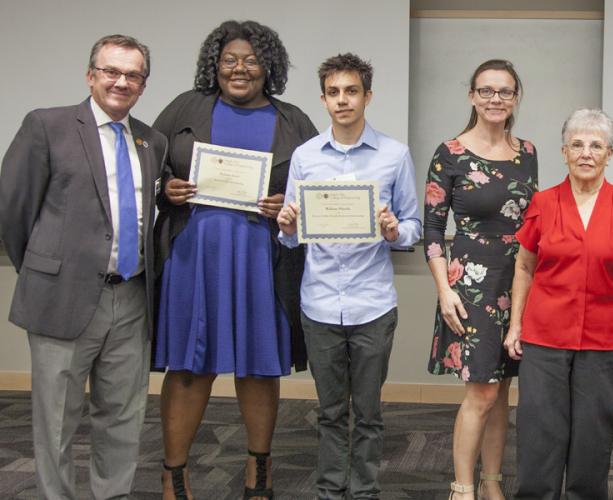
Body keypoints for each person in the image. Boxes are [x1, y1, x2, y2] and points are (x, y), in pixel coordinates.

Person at [151, 20, 317, 500]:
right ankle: (174, 476)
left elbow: (313, 187)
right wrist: (168, 188)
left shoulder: (293, 120)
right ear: (214, 65)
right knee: (188, 365)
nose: (239, 68)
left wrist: (287, 200)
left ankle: (257, 474)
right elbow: (150, 165)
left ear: (269, 67)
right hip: (193, 255)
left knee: (260, 365)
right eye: (229, 60)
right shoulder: (186, 107)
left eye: (251, 60)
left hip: (261, 258)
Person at [0, 35, 166, 499]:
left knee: (123, 416)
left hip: (131, 297)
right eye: (112, 71)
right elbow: (14, 212)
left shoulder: (151, 140)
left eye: (133, 75)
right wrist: (46, 270)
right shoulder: (47, 125)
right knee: (56, 422)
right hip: (64, 296)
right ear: (91, 75)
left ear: (143, 84)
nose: (122, 82)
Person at [276, 53, 421, 500]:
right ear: (323, 99)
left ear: (367, 96)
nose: (343, 100)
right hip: (319, 303)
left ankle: (365, 492)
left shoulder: (394, 155)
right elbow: (291, 236)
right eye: (334, 92)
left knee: (370, 412)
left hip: (372, 304)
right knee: (331, 412)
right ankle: (328, 491)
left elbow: (413, 226)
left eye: (352, 91)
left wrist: (395, 230)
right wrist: (284, 227)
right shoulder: (304, 157)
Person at [503, 109, 613, 500]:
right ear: (564, 152)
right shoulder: (543, 202)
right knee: (539, 433)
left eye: (596, 145)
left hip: (604, 341)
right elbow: (524, 265)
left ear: (610, 154)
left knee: (593, 435)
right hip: (545, 338)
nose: (587, 153)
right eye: (578, 145)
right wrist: (515, 325)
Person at [424, 59, 537, 500]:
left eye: (505, 92)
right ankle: (462, 488)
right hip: (469, 286)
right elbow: (432, 229)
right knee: (481, 394)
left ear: (516, 98)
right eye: (486, 91)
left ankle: (492, 484)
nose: (495, 99)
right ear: (472, 96)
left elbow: (531, 225)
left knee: (502, 391)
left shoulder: (527, 152)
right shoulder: (449, 152)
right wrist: (443, 290)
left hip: (519, 283)